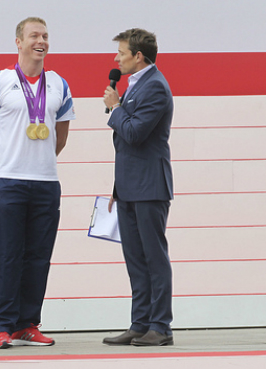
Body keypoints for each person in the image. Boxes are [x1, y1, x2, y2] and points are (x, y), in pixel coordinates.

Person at [0, 17, 76, 349]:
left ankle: (27, 323)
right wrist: (4, 165)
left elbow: (59, 139)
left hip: (46, 182)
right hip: (9, 183)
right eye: (34, 35)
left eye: (46, 35)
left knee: (38, 257)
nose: (41, 41)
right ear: (18, 42)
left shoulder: (59, 84)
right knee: (7, 255)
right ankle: (1, 325)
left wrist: (39, 161)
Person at [101, 28, 175, 347]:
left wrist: (115, 108)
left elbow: (134, 134)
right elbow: (126, 143)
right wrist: (118, 188)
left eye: (121, 53)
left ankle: (161, 325)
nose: (116, 59)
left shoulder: (156, 87)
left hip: (150, 185)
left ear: (138, 56)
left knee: (153, 257)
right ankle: (140, 322)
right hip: (130, 186)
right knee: (135, 257)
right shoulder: (135, 85)